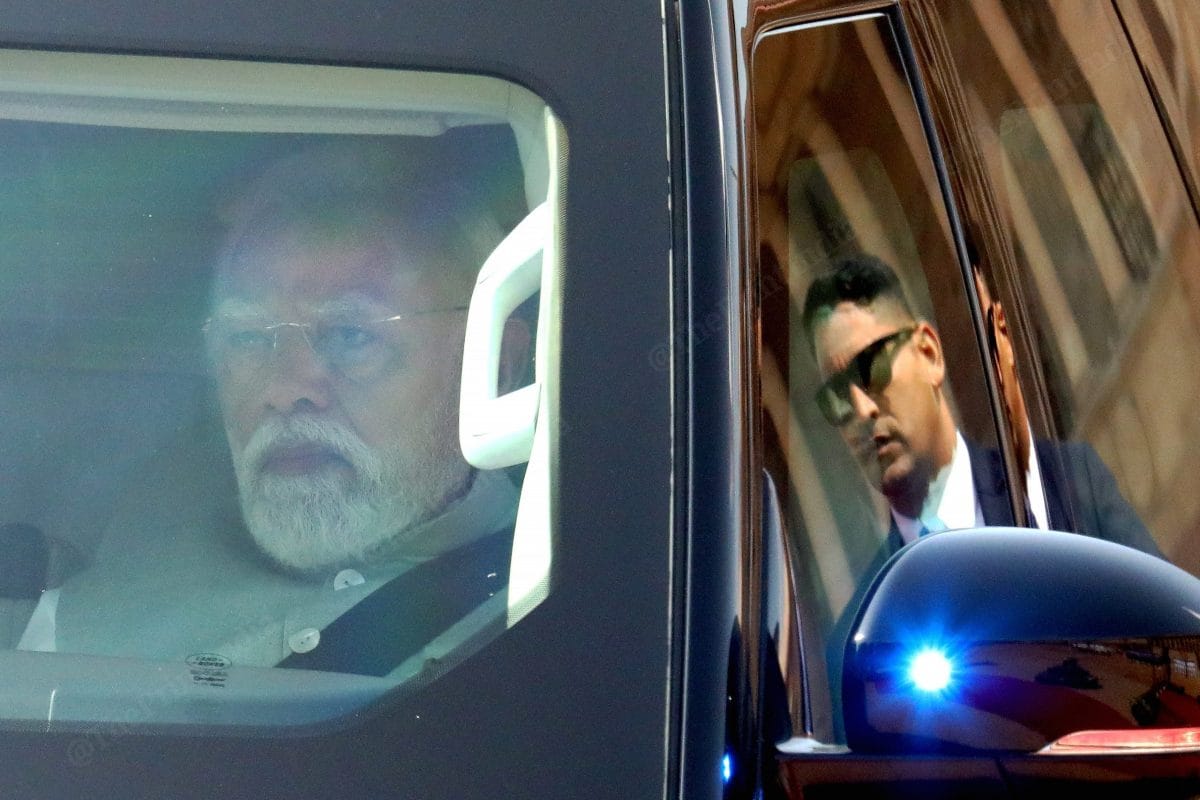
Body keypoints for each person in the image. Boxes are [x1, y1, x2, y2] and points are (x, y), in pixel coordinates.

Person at [16, 137, 532, 676]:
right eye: (246, 338)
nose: (283, 390)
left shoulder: (563, 607)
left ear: (495, 364)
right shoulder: (117, 565)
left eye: (352, 334)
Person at [801, 252, 1160, 556]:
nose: (862, 410)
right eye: (836, 393)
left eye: (870, 368)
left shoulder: (1068, 489)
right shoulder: (869, 621)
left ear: (929, 353)